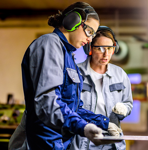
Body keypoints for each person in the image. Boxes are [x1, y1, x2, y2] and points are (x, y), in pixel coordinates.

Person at [10, 2, 122, 150]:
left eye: (93, 35)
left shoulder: (69, 57)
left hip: (57, 142)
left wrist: (103, 122)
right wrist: (83, 127)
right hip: (41, 141)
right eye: (89, 31)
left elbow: (74, 108)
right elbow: (48, 103)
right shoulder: (49, 45)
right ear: (73, 21)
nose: (90, 39)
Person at [70, 26, 133, 150]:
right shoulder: (75, 73)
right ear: (89, 48)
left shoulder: (120, 75)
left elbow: (128, 103)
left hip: (113, 141)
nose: (106, 54)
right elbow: (71, 108)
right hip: (84, 141)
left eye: (110, 48)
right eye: (100, 48)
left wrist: (124, 108)